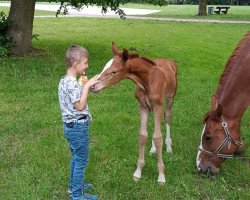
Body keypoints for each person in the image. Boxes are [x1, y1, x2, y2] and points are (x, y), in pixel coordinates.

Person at [58, 45, 99, 200]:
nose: (87, 66)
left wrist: (82, 85)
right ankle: (77, 195)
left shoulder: (65, 81)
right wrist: (87, 86)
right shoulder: (72, 83)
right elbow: (80, 105)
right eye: (86, 63)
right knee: (81, 160)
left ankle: (74, 186)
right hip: (77, 127)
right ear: (76, 65)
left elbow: (72, 97)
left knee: (76, 157)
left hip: (69, 126)